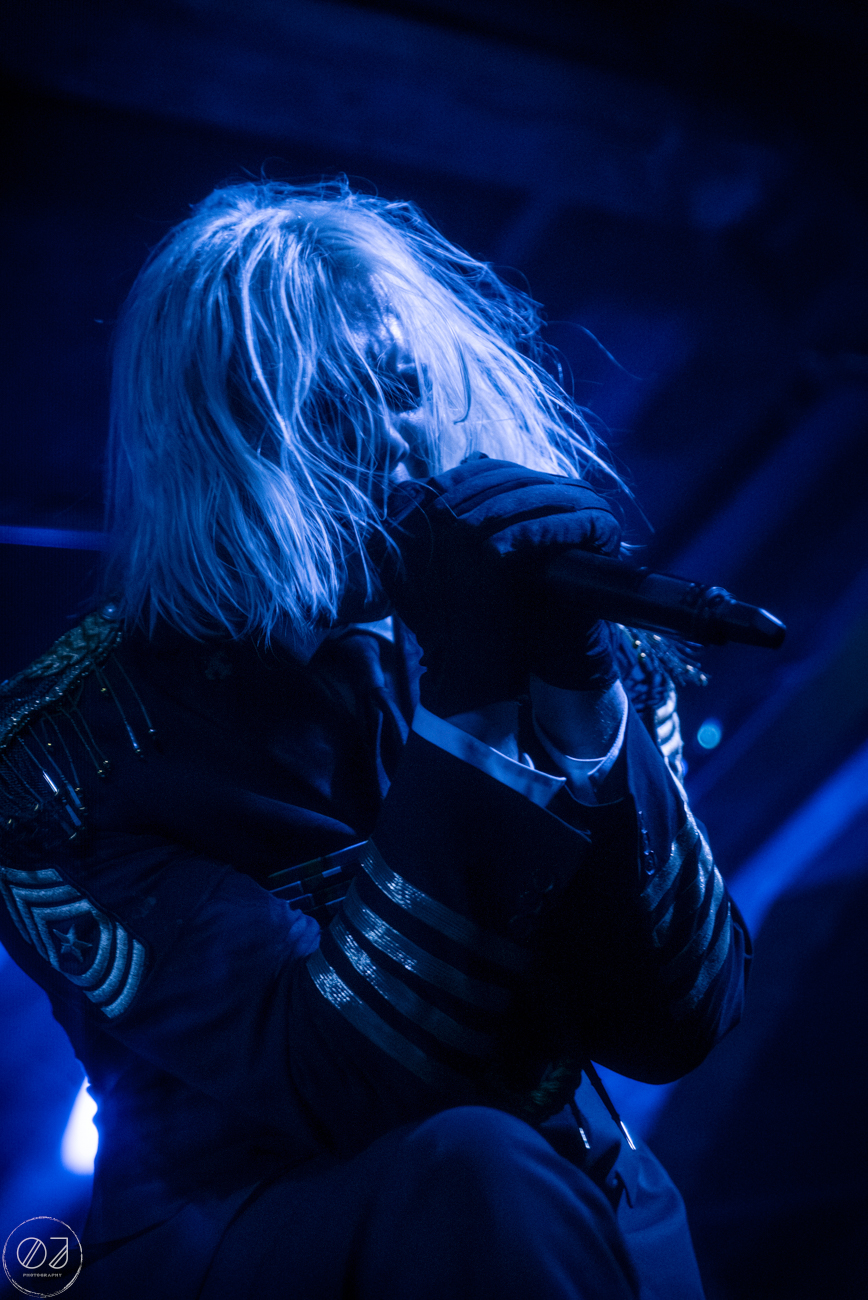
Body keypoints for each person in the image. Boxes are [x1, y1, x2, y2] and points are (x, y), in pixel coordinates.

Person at [0, 181, 749, 1299]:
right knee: (478, 1170)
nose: (396, 443)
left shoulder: (556, 633)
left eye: (404, 388)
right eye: (329, 408)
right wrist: (476, 700)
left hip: (566, 1213)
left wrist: (583, 695)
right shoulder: (63, 762)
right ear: (217, 445)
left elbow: (676, 1019)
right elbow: (349, 1075)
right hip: (250, 1240)